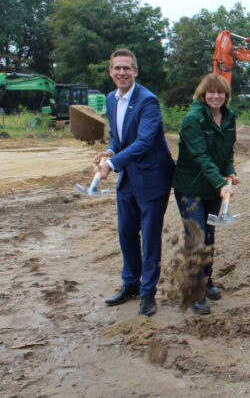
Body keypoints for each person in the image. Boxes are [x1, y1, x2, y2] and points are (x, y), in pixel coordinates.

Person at [95, 48, 174, 316]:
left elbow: (144, 142)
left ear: (135, 71)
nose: (121, 72)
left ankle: (148, 293)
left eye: (127, 68)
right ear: (110, 71)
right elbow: (119, 138)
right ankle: (130, 283)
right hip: (129, 176)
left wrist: (112, 164)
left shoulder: (148, 101)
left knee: (150, 237)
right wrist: (110, 151)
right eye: (117, 68)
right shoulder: (110, 99)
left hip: (153, 177)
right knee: (126, 232)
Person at [172, 73, 239, 315]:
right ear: (203, 94)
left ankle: (207, 278)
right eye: (210, 92)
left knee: (209, 235)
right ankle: (196, 289)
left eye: (220, 92)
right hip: (190, 186)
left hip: (213, 186)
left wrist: (229, 171)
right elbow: (201, 157)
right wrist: (221, 183)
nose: (215, 96)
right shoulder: (194, 119)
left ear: (226, 95)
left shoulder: (229, 117)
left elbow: (227, 151)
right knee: (196, 237)